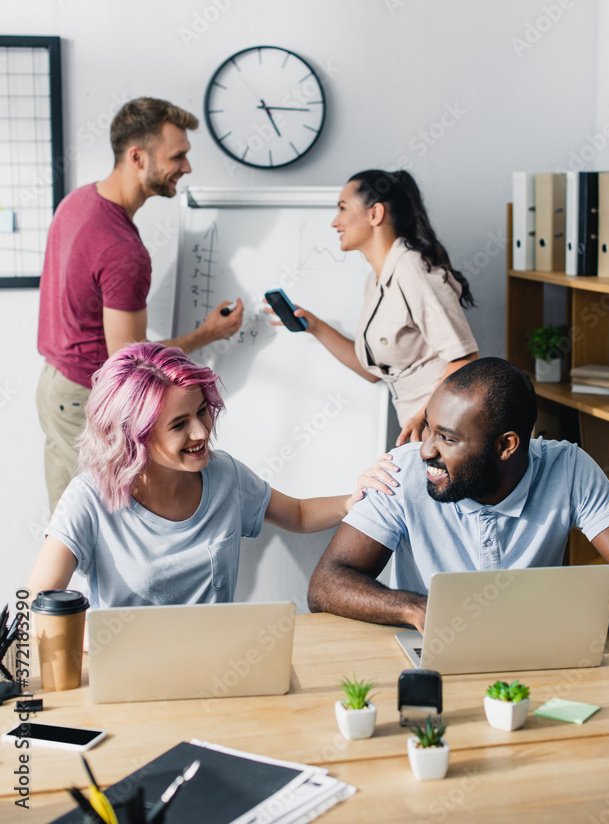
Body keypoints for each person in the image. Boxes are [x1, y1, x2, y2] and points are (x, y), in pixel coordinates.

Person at [308, 357, 609, 632]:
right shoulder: (398, 473)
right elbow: (327, 583)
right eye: (429, 429)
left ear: (505, 446)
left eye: (447, 438)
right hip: (429, 647)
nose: (425, 451)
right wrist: (417, 608)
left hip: (537, 650)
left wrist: (560, 614)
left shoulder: (568, 468)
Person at [27, 342, 388, 609]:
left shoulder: (225, 474)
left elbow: (296, 513)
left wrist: (350, 501)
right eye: (180, 424)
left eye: (202, 412)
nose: (201, 432)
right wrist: (86, 643)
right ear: (134, 435)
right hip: (130, 679)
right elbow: (36, 603)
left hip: (219, 668)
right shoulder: (89, 498)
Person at [37, 97, 244, 512]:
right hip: (83, 397)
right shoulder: (123, 250)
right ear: (137, 156)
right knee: (83, 532)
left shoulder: (79, 201)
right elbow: (130, 363)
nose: (186, 167)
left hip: (58, 384)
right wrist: (208, 334)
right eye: (178, 156)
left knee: (76, 520)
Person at [266, 170, 478, 447]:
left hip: (446, 428)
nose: (334, 222)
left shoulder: (412, 269)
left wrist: (424, 416)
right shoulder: (376, 281)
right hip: (422, 430)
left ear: (375, 214)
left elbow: (465, 359)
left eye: (342, 209)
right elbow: (371, 371)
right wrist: (314, 326)